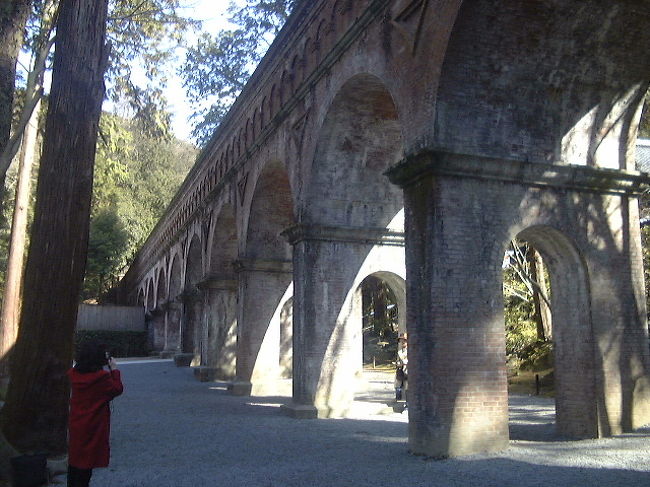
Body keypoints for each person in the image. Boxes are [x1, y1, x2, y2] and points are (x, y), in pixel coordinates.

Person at [67, 340, 123, 487]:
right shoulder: (101, 378)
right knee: (87, 464)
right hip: (93, 424)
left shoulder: (74, 374)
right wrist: (114, 370)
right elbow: (117, 389)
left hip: (76, 421)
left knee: (75, 461)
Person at [394, 333, 408, 406]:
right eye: (401, 340)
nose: (402, 342)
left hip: (408, 371)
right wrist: (398, 364)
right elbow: (398, 360)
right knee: (397, 386)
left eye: (404, 340)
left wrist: (403, 364)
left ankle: (407, 404)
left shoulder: (411, 351)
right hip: (400, 371)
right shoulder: (400, 352)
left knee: (407, 388)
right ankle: (398, 401)